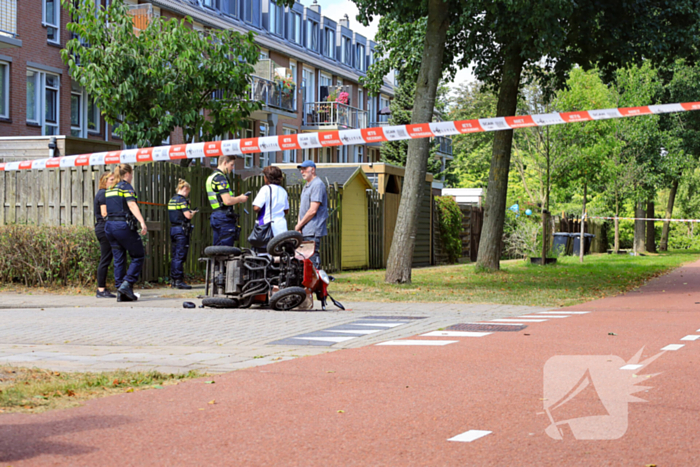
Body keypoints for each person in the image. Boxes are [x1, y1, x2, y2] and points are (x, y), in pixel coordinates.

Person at [104, 164, 147, 302]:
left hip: (109, 226)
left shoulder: (110, 188)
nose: (132, 177)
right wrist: (142, 222)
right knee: (138, 255)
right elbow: (132, 205)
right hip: (122, 226)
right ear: (127, 173)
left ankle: (121, 291)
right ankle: (126, 284)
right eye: (131, 174)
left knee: (119, 258)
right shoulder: (126, 186)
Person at [206, 155, 248, 246]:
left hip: (216, 216)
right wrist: (240, 198)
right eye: (231, 165)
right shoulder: (221, 179)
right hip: (223, 217)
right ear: (225, 163)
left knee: (217, 250)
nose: (232, 168)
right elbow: (227, 201)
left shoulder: (211, 177)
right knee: (226, 250)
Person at [295, 160, 328, 269]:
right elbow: (302, 209)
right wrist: (299, 225)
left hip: (313, 229)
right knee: (304, 259)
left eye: (304, 169)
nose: (302, 172)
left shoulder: (317, 185)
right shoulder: (307, 186)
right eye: (301, 169)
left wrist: (299, 225)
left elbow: (313, 210)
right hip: (305, 229)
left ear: (312, 170)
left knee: (312, 258)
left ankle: (316, 284)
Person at [168, 179, 197, 290]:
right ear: (185, 189)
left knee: (175, 255)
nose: (187, 194)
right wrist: (192, 212)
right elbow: (187, 216)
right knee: (180, 256)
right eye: (188, 191)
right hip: (181, 230)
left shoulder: (172, 200)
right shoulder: (181, 200)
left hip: (173, 229)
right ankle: (179, 280)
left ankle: (173, 280)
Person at [252, 166, 289, 247]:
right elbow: (286, 210)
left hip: (267, 226)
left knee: (264, 253)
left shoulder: (265, 189)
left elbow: (256, 208)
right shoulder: (283, 191)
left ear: (267, 177)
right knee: (278, 252)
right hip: (281, 227)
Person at [94, 171, 115, 298]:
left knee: (107, 258)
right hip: (104, 228)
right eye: (111, 180)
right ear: (105, 181)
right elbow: (104, 213)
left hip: (105, 228)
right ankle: (101, 290)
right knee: (105, 259)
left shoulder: (106, 194)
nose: (114, 182)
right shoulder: (103, 194)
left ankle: (102, 288)